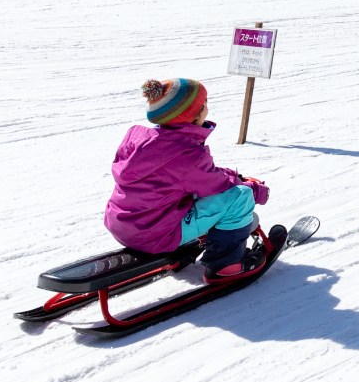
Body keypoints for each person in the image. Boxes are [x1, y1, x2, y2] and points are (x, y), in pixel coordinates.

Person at [104, 79, 272, 282]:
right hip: (154, 235)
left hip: (123, 225)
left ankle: (189, 245)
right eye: (206, 103)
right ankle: (226, 266)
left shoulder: (141, 139)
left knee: (190, 192)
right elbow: (216, 185)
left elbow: (195, 176)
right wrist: (256, 190)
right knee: (241, 197)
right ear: (195, 115)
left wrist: (234, 176)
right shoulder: (186, 152)